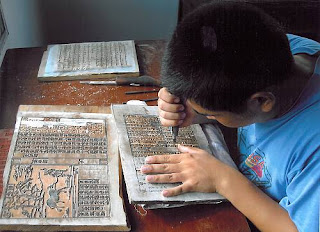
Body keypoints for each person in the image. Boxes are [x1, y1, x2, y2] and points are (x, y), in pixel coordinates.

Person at [140, 2, 320, 232]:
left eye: (211, 113)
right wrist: (191, 102)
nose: (202, 114)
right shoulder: (276, 49)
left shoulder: (314, 149)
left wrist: (222, 180)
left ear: (262, 101)